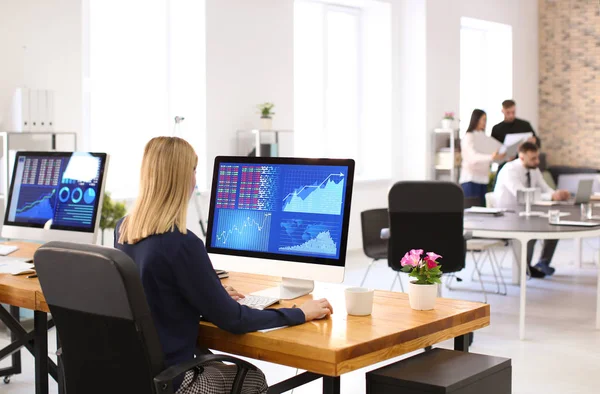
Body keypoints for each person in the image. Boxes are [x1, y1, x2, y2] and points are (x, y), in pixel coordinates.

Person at [115, 136, 333, 393]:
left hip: (133, 378)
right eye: (193, 171)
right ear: (182, 178)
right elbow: (235, 320)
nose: (196, 179)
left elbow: (154, 292)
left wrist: (210, 295)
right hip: (174, 383)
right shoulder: (182, 243)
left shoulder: (125, 229)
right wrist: (300, 313)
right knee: (253, 381)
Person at [493, 142, 571, 278]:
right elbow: (522, 194)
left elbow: (545, 188)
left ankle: (543, 262)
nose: (537, 161)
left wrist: (556, 194)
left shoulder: (534, 169)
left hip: (528, 211)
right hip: (509, 215)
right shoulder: (509, 170)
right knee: (532, 229)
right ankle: (525, 268)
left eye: (537, 157)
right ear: (522, 157)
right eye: (533, 158)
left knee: (555, 226)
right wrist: (551, 196)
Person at [459, 109, 505, 206]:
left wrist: (502, 156)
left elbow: (495, 153)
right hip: (471, 180)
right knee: (471, 214)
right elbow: (472, 157)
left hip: (483, 180)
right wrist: (491, 157)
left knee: (482, 214)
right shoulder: (469, 137)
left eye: (486, 120)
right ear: (476, 119)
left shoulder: (484, 138)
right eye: (483, 119)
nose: (485, 122)